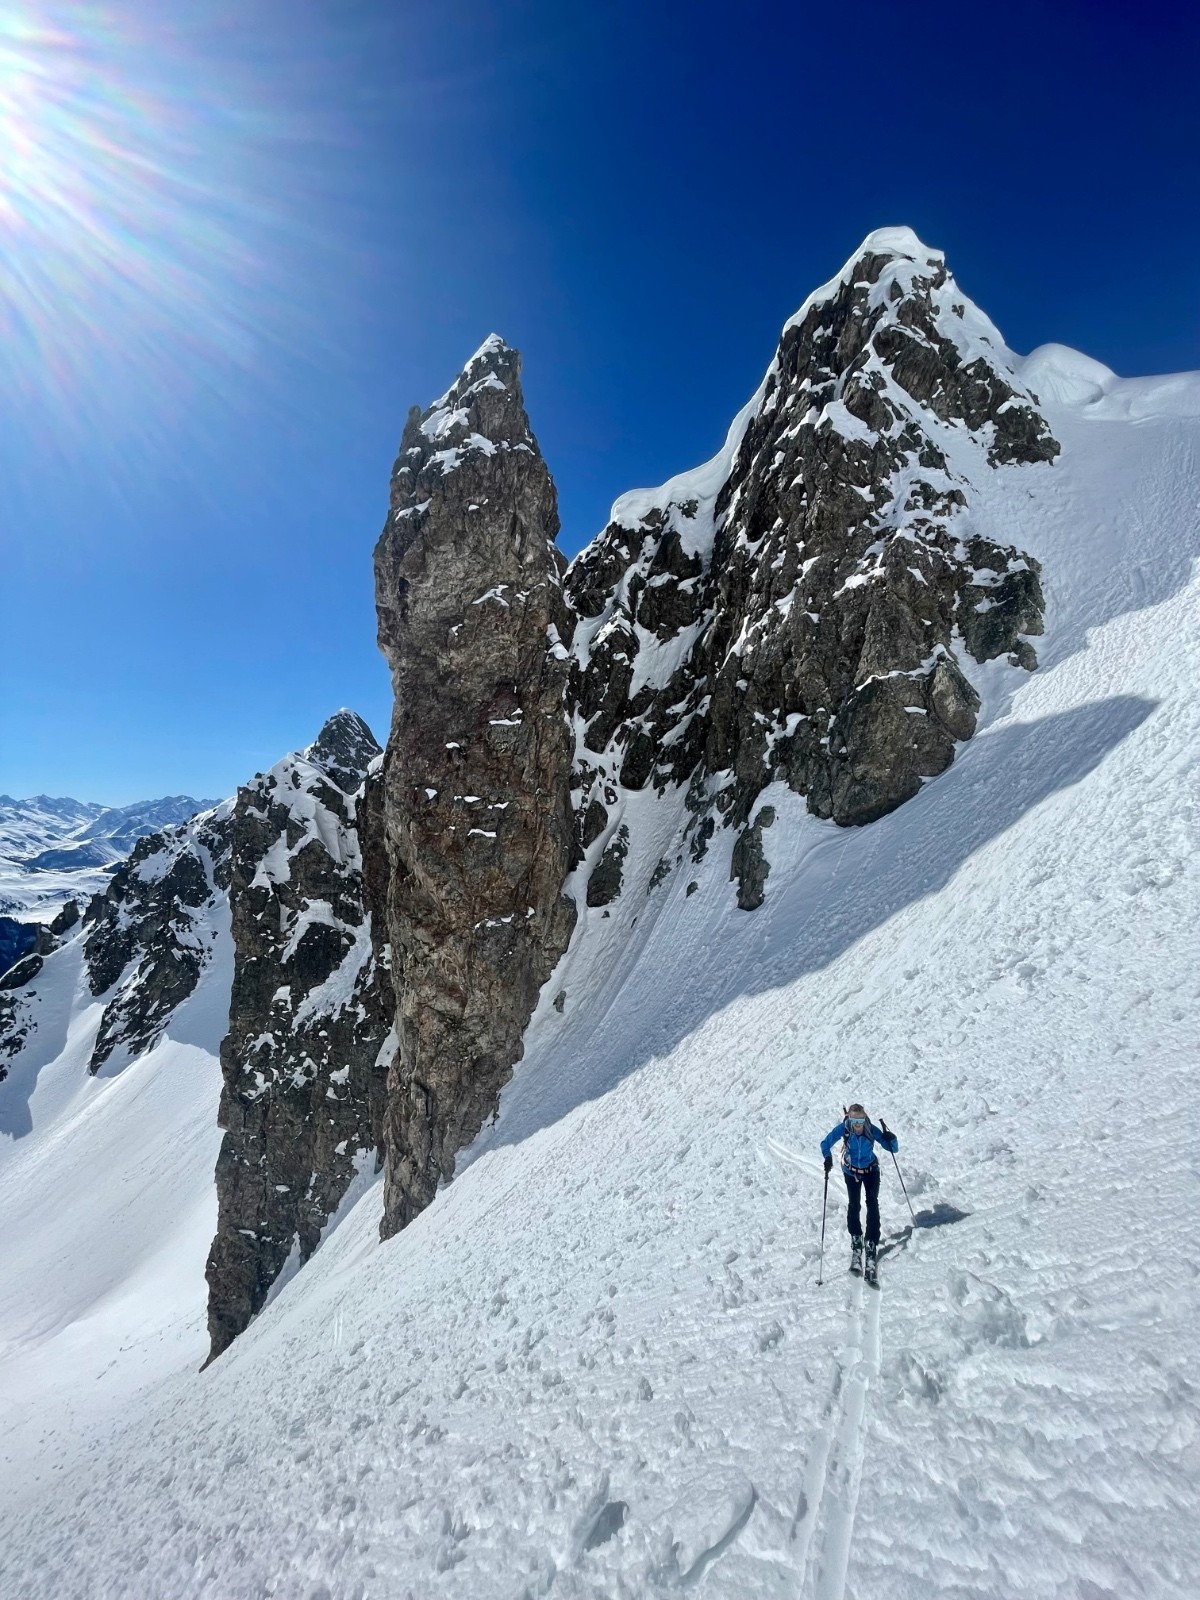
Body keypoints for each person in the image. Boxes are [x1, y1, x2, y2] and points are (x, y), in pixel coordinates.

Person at [820, 1103, 899, 1280]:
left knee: (872, 1203)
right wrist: (827, 1157)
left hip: (871, 1170)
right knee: (854, 1204)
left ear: (865, 1118)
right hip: (851, 1172)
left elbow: (893, 1148)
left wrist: (891, 1138)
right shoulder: (844, 1128)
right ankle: (856, 1242)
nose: (857, 1124)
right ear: (849, 1118)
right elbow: (825, 1143)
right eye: (854, 1120)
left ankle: (871, 1243)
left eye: (860, 1120)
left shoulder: (870, 1129)